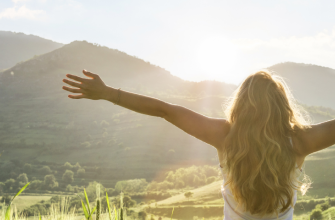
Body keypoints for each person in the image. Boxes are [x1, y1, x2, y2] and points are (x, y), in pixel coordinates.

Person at [62, 70, 334, 219]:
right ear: (282, 106)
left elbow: (165, 110)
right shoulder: (299, 141)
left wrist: (110, 93)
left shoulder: (225, 136)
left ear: (241, 104)